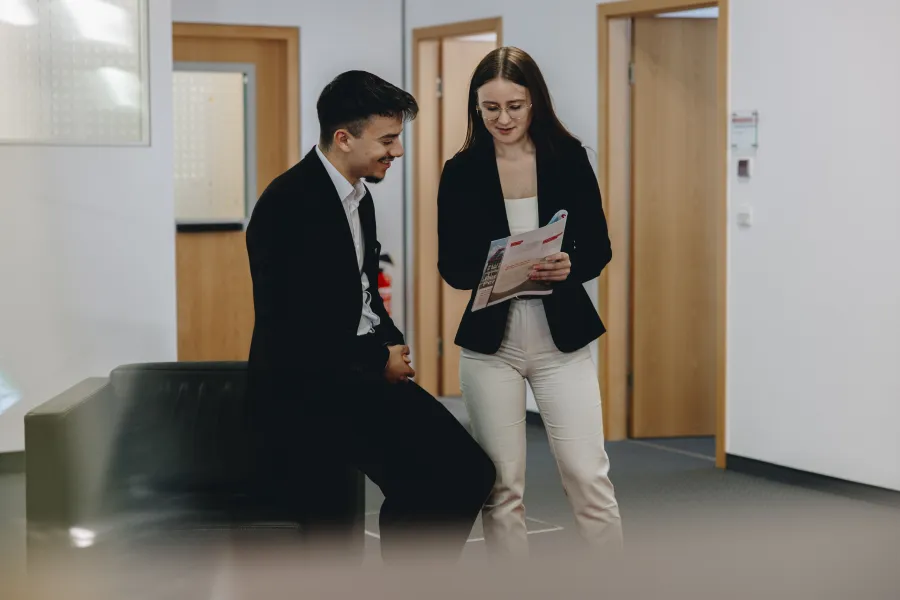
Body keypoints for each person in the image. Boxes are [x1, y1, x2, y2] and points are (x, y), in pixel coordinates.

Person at [246, 70, 496, 563]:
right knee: (437, 478)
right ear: (344, 138)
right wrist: (377, 359)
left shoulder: (359, 198)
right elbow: (294, 324)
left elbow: (363, 292)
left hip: (360, 371)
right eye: (387, 140)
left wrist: (391, 343)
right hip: (311, 389)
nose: (397, 151)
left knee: (466, 472)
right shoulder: (287, 204)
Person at [436, 47, 623, 558]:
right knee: (501, 489)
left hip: (561, 340)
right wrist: (497, 267)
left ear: (534, 101)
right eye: (490, 108)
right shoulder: (460, 171)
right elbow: (451, 267)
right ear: (476, 107)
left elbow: (598, 248)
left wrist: (569, 266)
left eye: (514, 106)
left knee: (588, 476)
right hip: (490, 346)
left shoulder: (569, 158)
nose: (503, 119)